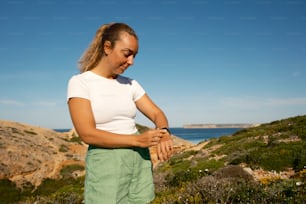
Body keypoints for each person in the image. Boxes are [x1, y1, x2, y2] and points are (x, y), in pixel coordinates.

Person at [67, 22, 173, 204]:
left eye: (134, 55)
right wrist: (138, 140)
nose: (131, 62)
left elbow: (156, 113)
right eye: (127, 54)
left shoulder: (131, 83)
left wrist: (164, 132)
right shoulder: (81, 82)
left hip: (139, 159)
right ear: (107, 47)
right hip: (106, 161)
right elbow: (87, 134)